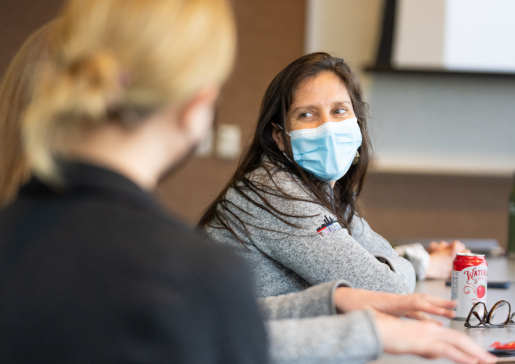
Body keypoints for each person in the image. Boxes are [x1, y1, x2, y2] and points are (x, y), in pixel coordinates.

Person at [0, 8, 496, 364]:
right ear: (198, 107)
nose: (328, 125)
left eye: (340, 111)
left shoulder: (32, 239)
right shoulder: (191, 267)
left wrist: (333, 300)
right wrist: (361, 320)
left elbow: (222, 319)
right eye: (308, 114)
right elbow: (224, 327)